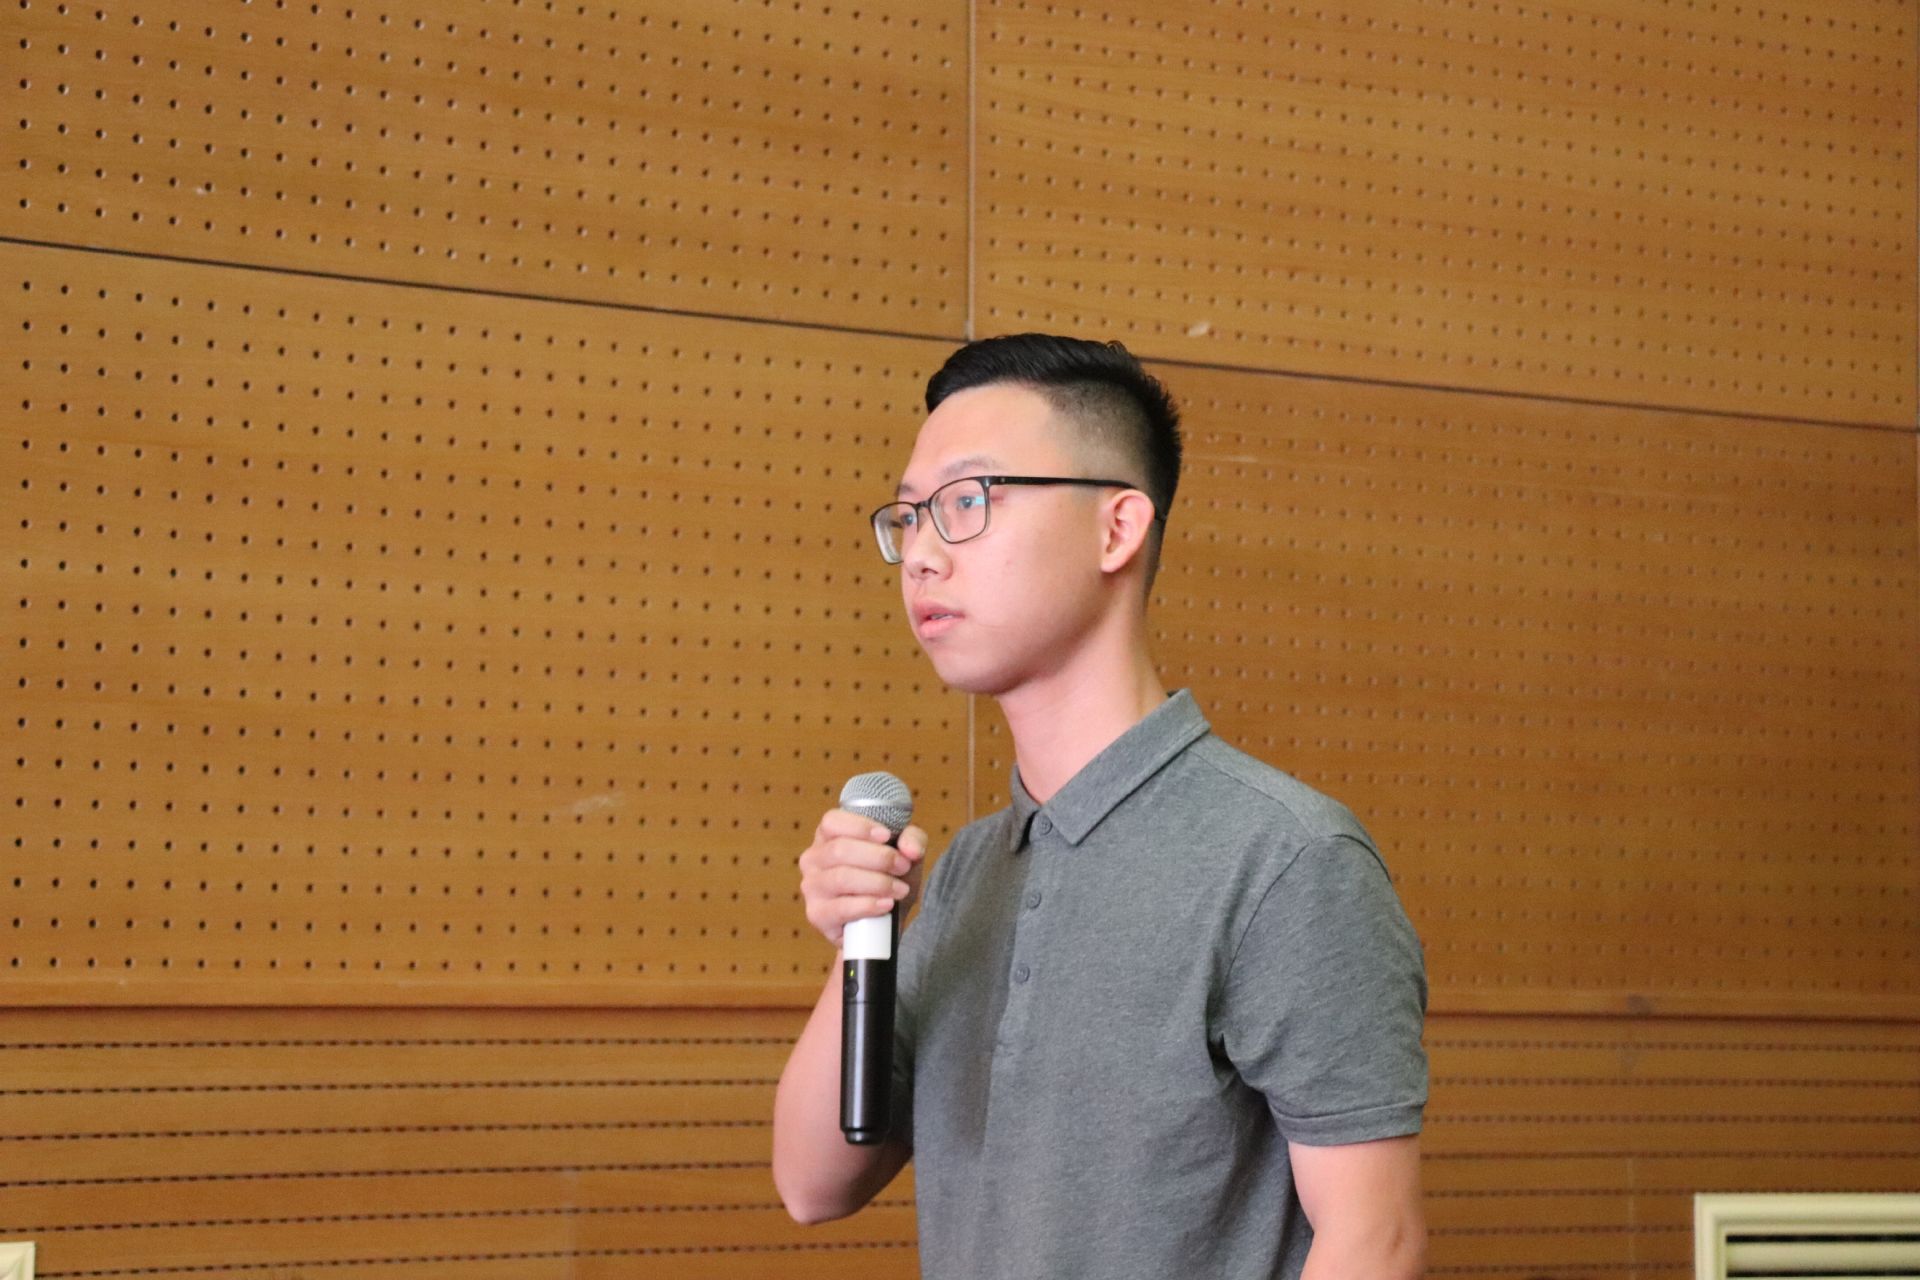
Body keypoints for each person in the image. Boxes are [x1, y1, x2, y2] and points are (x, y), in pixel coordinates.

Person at [772, 334, 1429, 1279]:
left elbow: (1376, 1239)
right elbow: (812, 1184)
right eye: (909, 517)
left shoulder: (1286, 859)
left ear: (1116, 529)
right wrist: (857, 941)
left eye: (967, 502)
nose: (920, 555)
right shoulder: (965, 871)